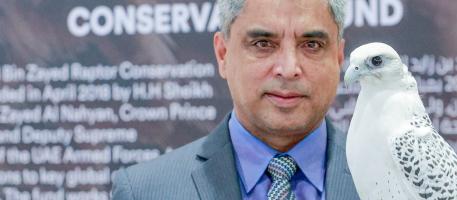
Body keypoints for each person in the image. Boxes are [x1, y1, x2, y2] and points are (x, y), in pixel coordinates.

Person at [111, 0, 359, 199]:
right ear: (223, 55)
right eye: (263, 43)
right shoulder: (144, 192)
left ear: (338, 57)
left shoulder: (395, 180)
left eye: (312, 44)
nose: (288, 68)